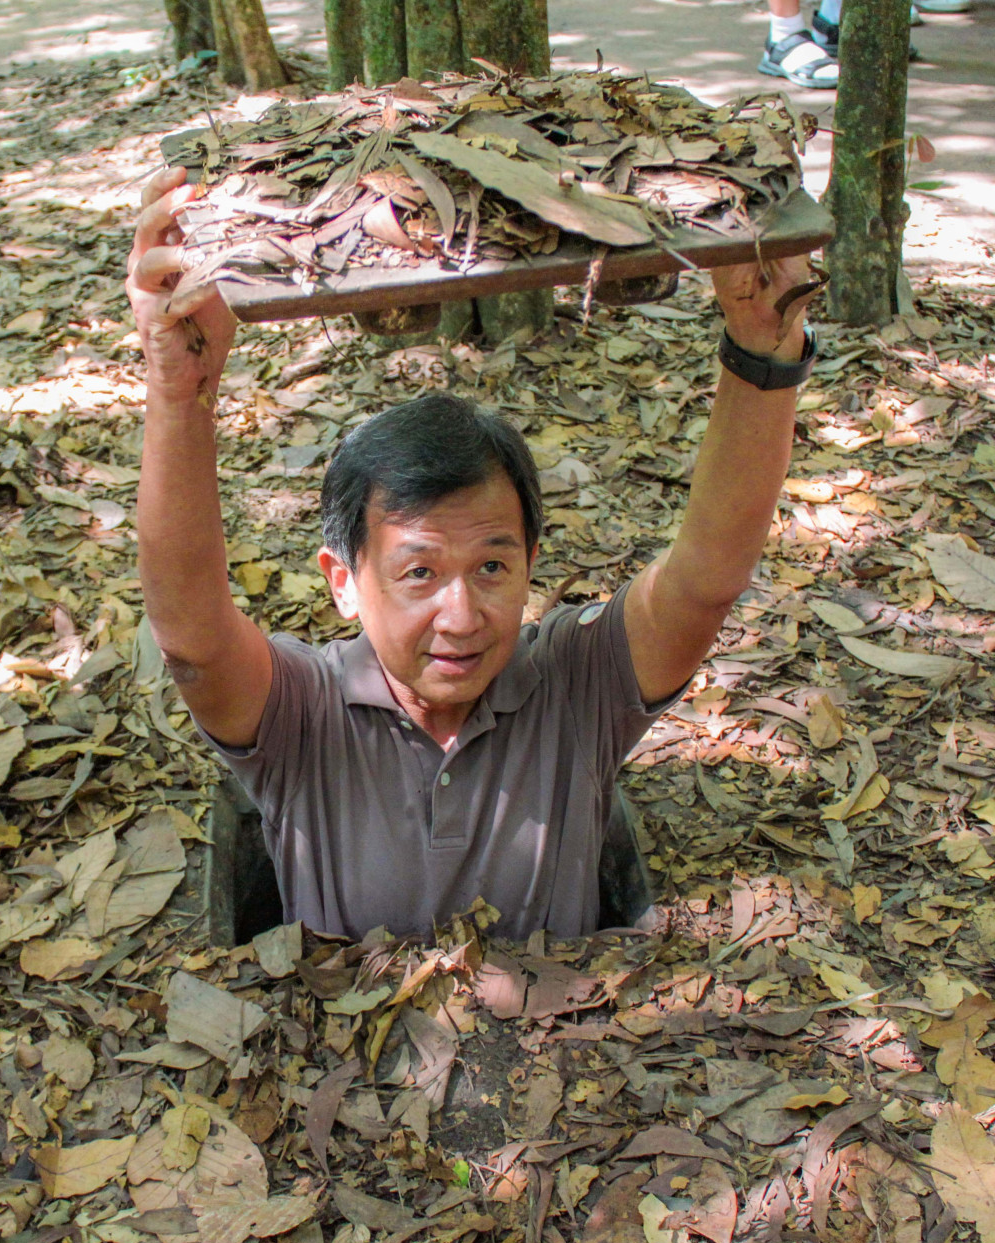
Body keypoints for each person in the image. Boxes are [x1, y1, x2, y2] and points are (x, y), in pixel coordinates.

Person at [127, 167, 821, 942]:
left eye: (492, 566)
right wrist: (178, 389)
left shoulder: (574, 685)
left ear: (531, 561)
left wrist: (766, 350)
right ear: (344, 582)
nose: (461, 616)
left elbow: (704, 581)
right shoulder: (301, 710)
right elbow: (190, 637)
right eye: (418, 572)